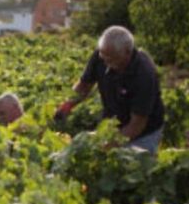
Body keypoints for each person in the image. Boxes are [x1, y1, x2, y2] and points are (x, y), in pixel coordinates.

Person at [54, 25, 166, 154]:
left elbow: (136, 126)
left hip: (143, 134)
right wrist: (67, 105)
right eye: (104, 58)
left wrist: (107, 144)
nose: (107, 64)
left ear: (127, 52)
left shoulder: (144, 74)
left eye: (112, 60)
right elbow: (84, 86)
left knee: (134, 168)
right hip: (113, 122)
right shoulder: (102, 55)